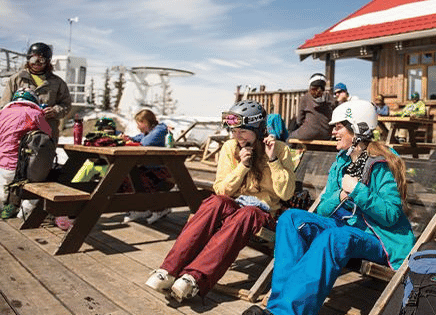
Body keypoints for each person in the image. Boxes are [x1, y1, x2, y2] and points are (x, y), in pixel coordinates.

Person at [244, 100, 415, 315]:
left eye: (338, 127)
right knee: (291, 219)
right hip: (343, 229)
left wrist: (358, 192)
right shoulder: (341, 162)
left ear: (357, 129)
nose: (332, 131)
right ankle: (277, 307)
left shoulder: (380, 164)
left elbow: (391, 215)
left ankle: (285, 312)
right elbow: (323, 209)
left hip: (377, 237)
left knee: (335, 236)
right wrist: (342, 194)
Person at [145, 100, 295, 302]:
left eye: (242, 131)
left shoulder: (280, 149)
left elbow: (285, 193)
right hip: (235, 204)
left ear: (257, 129)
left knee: (247, 213)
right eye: (233, 131)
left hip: (263, 213)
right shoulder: (230, 147)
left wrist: (273, 160)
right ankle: (168, 270)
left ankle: (194, 277)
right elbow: (222, 189)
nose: (236, 136)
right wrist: (242, 166)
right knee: (214, 202)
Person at [0, 42, 72, 142]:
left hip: (45, 135)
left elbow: (66, 105)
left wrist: (55, 111)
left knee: (42, 157)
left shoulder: (57, 83)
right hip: (18, 133)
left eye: (41, 60)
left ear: (48, 61)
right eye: (33, 59)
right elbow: (4, 106)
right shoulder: (16, 80)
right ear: (28, 59)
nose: (37, 63)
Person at [0, 89, 52, 219]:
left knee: (4, 190)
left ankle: (4, 209)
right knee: (35, 187)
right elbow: (47, 135)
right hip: (24, 167)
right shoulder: (34, 114)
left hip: (3, 165)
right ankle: (24, 214)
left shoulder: (2, 113)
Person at [122, 109, 173, 224]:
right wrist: (128, 138)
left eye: (139, 123)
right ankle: (141, 207)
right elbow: (138, 138)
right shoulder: (148, 132)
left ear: (145, 122)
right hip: (149, 168)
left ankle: (159, 208)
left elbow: (145, 142)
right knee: (128, 175)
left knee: (137, 177)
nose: (137, 126)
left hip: (161, 170)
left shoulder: (159, 130)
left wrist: (136, 139)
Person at [288, 73, 334, 140]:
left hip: (307, 133)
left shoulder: (305, 98)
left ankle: (291, 150)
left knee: (290, 137)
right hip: (326, 134)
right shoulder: (330, 98)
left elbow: (299, 121)